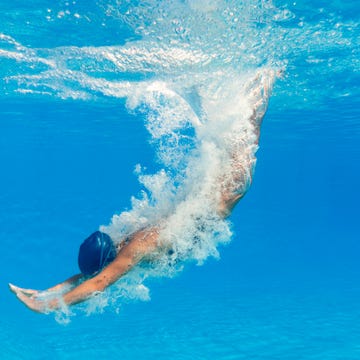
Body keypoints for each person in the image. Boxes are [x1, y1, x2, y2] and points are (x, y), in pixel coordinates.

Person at [9, 71, 274, 313]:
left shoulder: (129, 249)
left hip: (221, 197)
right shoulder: (127, 248)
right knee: (247, 133)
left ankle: (260, 79)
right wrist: (47, 301)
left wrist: (47, 298)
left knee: (243, 134)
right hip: (222, 196)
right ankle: (264, 78)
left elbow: (92, 277)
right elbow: (95, 280)